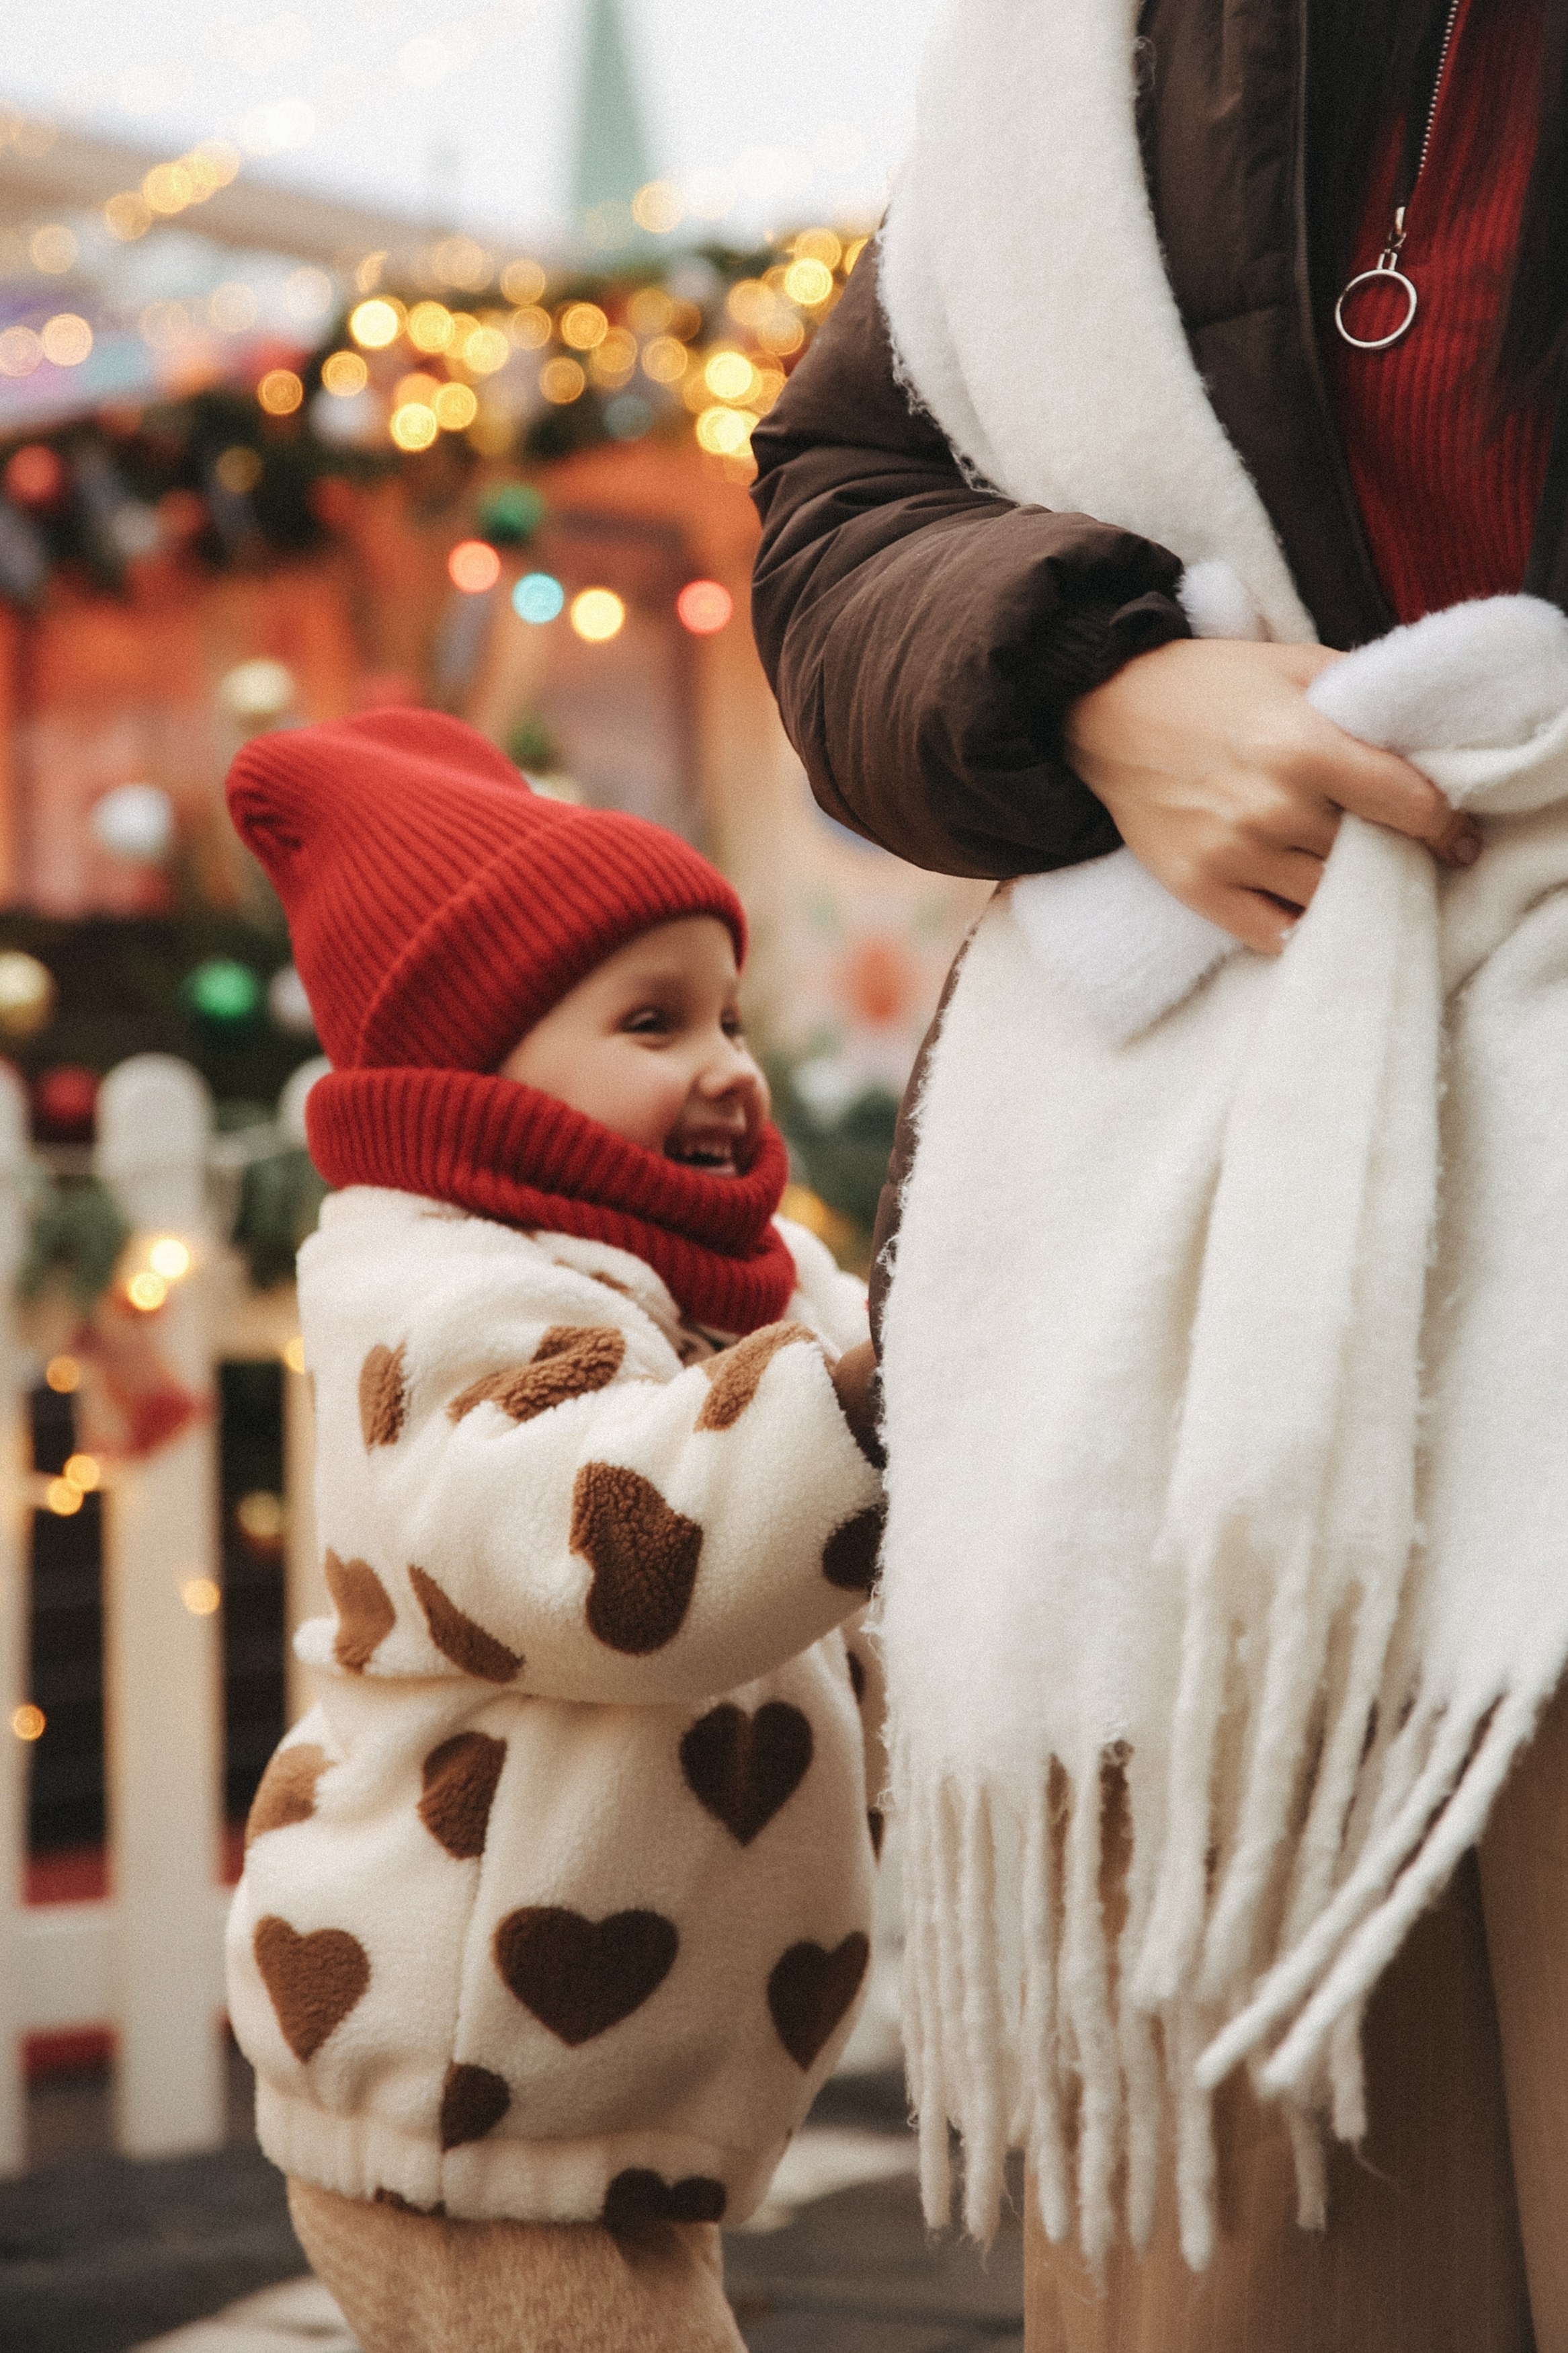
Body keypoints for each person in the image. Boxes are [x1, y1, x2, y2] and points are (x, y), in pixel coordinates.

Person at [749, 0, 1568, 2346]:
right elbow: (837, 501)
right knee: (1258, 2261)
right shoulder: (1093, 32)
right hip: (1200, 1332)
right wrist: (1093, 687)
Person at [222, 710, 886, 2353]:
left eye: (726, 1013)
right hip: (462, 2085)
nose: (728, 1064)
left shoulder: (746, 1288)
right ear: (469, 1073)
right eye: (651, 1019)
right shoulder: (449, 1304)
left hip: (617, 2094)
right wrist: (884, 1401)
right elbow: (622, 1561)